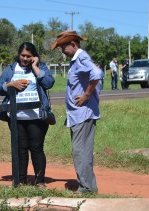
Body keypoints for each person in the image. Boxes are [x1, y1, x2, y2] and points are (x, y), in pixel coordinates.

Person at [0, 42, 55, 187]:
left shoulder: (41, 67)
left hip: (36, 116)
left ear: (34, 56)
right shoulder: (11, 69)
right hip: (16, 117)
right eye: (23, 55)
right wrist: (10, 85)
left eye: (29, 56)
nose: (25, 58)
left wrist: (35, 68)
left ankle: (39, 181)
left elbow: (48, 83)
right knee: (20, 149)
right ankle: (21, 180)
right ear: (19, 54)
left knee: (36, 148)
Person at [51, 30, 102, 194]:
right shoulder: (77, 59)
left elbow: (97, 73)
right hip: (81, 114)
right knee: (84, 152)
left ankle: (85, 187)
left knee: (79, 152)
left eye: (62, 48)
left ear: (72, 44)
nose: (62, 52)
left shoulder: (81, 57)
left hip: (82, 113)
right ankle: (90, 187)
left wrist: (87, 94)